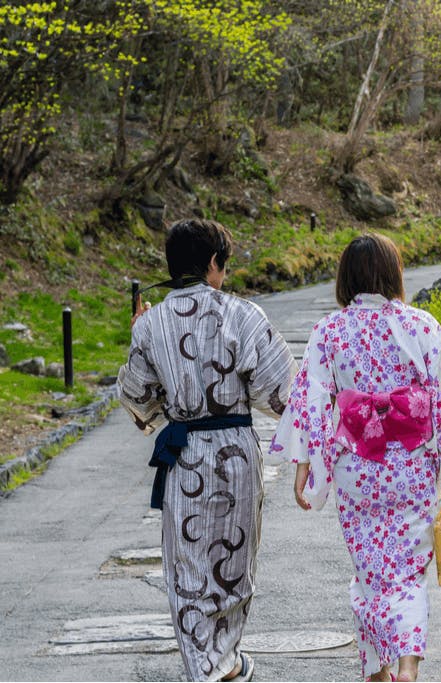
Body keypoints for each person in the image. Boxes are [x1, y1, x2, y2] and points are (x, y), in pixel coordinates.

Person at [270, 233, 441, 683]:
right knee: (406, 575)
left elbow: (310, 400)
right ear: (393, 274)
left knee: (370, 573)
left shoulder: (330, 330)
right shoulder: (423, 326)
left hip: (358, 469)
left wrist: (304, 465)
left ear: (346, 278)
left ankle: (377, 670)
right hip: (412, 467)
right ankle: (405, 665)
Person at [118, 218, 296, 682]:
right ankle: (223, 662)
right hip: (236, 451)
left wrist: (168, 410)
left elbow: (137, 394)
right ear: (214, 263)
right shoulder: (243, 314)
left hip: (184, 455)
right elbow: (281, 392)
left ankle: (205, 666)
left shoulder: (150, 323)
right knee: (234, 562)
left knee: (188, 566)